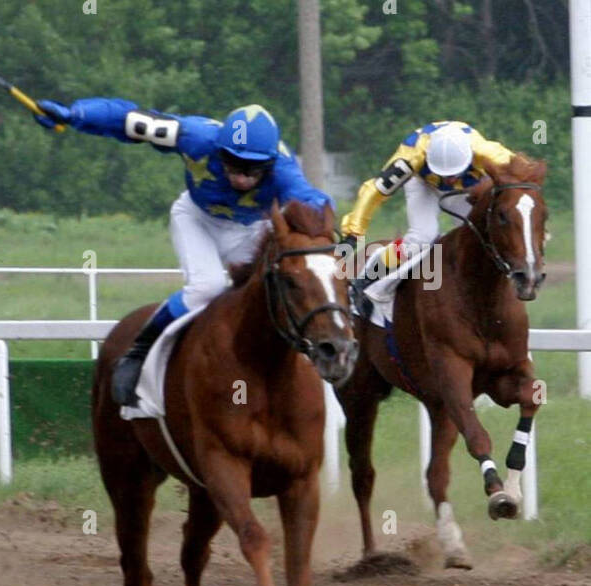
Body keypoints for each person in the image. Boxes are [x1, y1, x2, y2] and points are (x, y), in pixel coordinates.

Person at [34, 99, 332, 405]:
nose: (241, 176)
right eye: (232, 163)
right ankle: (138, 352)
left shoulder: (284, 170)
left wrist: (342, 236)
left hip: (251, 229)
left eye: (253, 168)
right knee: (208, 287)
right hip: (196, 218)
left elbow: (317, 205)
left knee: (271, 293)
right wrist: (75, 115)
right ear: (218, 150)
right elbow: (128, 120)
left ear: (270, 163)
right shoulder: (195, 136)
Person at [340, 120, 515, 316]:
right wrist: (353, 232)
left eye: (454, 173)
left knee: (479, 237)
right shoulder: (411, 157)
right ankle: (364, 280)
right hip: (423, 184)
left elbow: (526, 181)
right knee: (421, 239)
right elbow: (374, 192)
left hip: (466, 188)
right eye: (442, 173)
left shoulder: (489, 153)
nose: (448, 179)